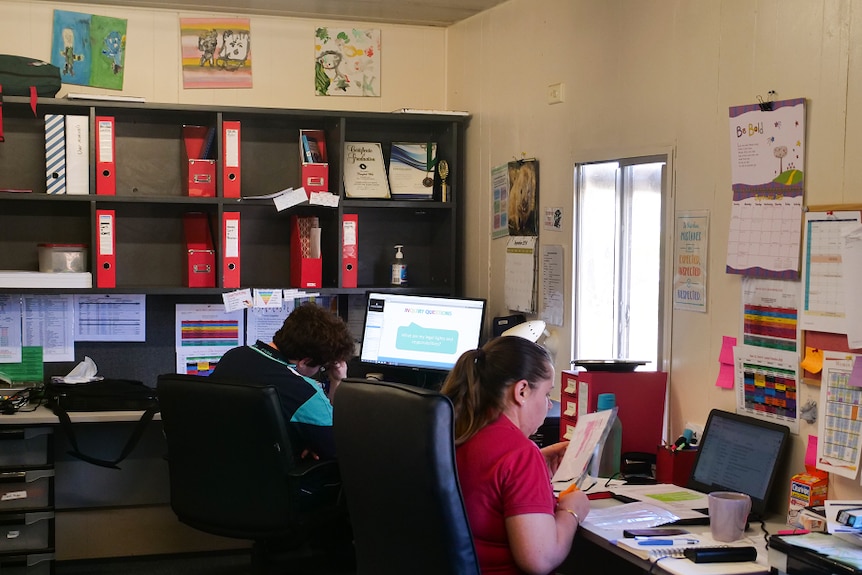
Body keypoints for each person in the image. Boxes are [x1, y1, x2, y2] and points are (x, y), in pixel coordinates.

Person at [441, 336, 590, 575]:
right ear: (521, 391)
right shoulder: (519, 454)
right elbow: (540, 558)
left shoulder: (459, 431)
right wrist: (571, 511)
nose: (548, 405)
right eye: (546, 394)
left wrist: (535, 466)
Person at [211, 302, 355, 461]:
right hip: (277, 479)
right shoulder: (305, 393)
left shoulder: (233, 356)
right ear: (305, 362)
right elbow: (340, 449)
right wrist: (339, 381)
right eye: (322, 367)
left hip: (225, 465)